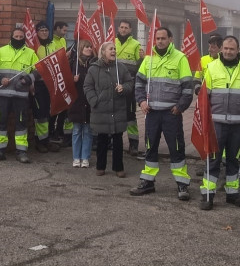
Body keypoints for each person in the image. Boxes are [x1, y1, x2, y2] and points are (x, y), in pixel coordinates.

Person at [130, 27, 195, 201]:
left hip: (171, 114)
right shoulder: (148, 59)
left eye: (163, 38)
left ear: (170, 39)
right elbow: (139, 83)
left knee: (176, 148)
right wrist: (141, 101)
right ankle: (148, 182)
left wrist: (180, 107)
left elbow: (188, 87)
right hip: (151, 113)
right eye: (157, 38)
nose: (159, 41)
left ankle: (182, 184)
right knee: (150, 147)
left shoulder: (180, 58)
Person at [199, 36, 240, 210]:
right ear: (221, 49)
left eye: (231, 49)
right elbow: (204, 97)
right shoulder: (212, 67)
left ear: (238, 49)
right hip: (216, 125)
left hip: (239, 125)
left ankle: (232, 194)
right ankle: (208, 195)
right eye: (225, 48)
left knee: (233, 160)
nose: (228, 51)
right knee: (213, 159)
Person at [0, 26, 39, 164]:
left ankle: (21, 152)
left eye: (21, 37)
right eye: (16, 36)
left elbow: (38, 71)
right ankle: (0, 151)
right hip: (3, 95)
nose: (18, 39)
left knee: (21, 123)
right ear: (11, 37)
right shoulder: (2, 51)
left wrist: (27, 79)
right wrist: (0, 79)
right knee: (1, 122)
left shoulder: (30, 53)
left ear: (24, 38)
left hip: (21, 95)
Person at [84, 41, 133, 178]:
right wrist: (94, 101)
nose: (114, 51)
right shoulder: (93, 69)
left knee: (118, 140)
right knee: (102, 140)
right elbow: (87, 87)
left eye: (115, 49)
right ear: (103, 52)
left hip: (117, 110)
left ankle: (118, 167)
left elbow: (130, 83)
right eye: (110, 49)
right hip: (101, 110)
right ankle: (100, 166)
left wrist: (124, 88)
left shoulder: (121, 67)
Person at [114, 20, 144, 157]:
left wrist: (142, 59)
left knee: (130, 115)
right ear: (118, 28)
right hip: (113, 84)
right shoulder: (112, 42)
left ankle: (133, 144)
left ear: (130, 30)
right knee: (114, 114)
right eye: (121, 27)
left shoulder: (136, 45)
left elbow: (140, 66)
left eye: (126, 27)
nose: (123, 29)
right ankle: (113, 142)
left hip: (129, 85)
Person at [33, 22, 61, 153]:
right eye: (41, 30)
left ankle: (46, 139)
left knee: (49, 112)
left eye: (46, 30)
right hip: (38, 84)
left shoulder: (53, 44)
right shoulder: (34, 46)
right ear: (37, 32)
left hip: (52, 83)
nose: (44, 33)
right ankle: (40, 141)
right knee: (40, 113)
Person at [67, 39, 96, 168]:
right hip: (77, 102)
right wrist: (72, 80)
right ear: (81, 49)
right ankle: (76, 157)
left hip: (89, 101)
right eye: (86, 47)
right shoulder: (73, 63)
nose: (89, 49)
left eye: (90, 47)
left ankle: (85, 157)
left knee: (88, 131)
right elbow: (65, 82)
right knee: (77, 130)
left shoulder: (94, 63)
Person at [50, 21, 73, 147]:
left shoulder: (63, 41)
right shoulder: (51, 42)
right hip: (55, 76)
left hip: (63, 74)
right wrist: (64, 56)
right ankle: (51, 131)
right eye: (64, 30)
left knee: (64, 105)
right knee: (55, 105)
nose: (65, 33)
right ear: (57, 29)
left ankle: (59, 130)